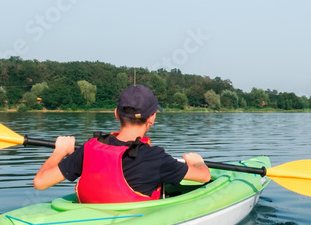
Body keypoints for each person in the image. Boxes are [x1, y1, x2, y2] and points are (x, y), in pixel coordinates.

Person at [33, 84, 211, 203]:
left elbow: (40, 183)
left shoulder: (90, 147)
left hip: (90, 220)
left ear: (116, 114)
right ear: (152, 118)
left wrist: (60, 151)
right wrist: (197, 161)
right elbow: (204, 177)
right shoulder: (155, 157)